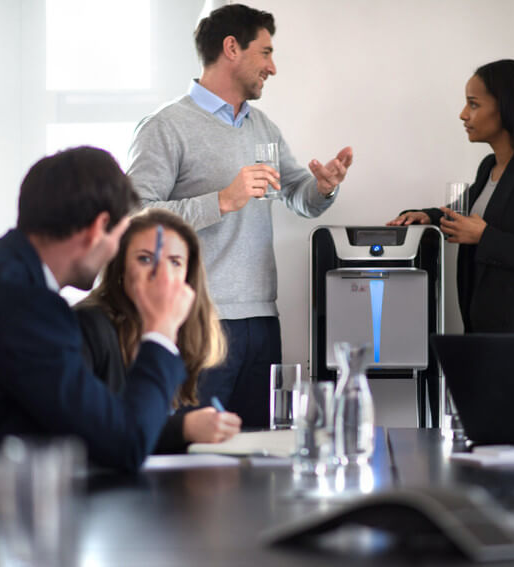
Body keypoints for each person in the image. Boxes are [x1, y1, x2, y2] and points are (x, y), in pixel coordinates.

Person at [0, 146, 194, 527]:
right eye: (118, 236)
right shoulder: (31, 310)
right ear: (97, 228)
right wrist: (162, 330)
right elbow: (126, 442)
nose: (115, 252)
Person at [126, 4, 353, 427]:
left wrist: (323, 187)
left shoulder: (262, 127)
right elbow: (135, 217)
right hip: (198, 323)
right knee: (194, 460)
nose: (273, 67)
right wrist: (221, 201)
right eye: (265, 53)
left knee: (262, 455)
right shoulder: (165, 126)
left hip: (262, 322)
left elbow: (297, 196)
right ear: (232, 48)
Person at [387, 59, 514, 388]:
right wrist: (430, 216)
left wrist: (486, 237)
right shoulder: (489, 166)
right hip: (487, 336)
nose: (463, 114)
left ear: (508, 108)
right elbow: (474, 214)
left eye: (473, 104)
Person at [75, 209, 241, 452]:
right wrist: (183, 428)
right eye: (145, 259)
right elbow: (101, 432)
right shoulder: (88, 325)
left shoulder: (186, 329)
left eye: (175, 262)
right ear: (120, 268)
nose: (162, 276)